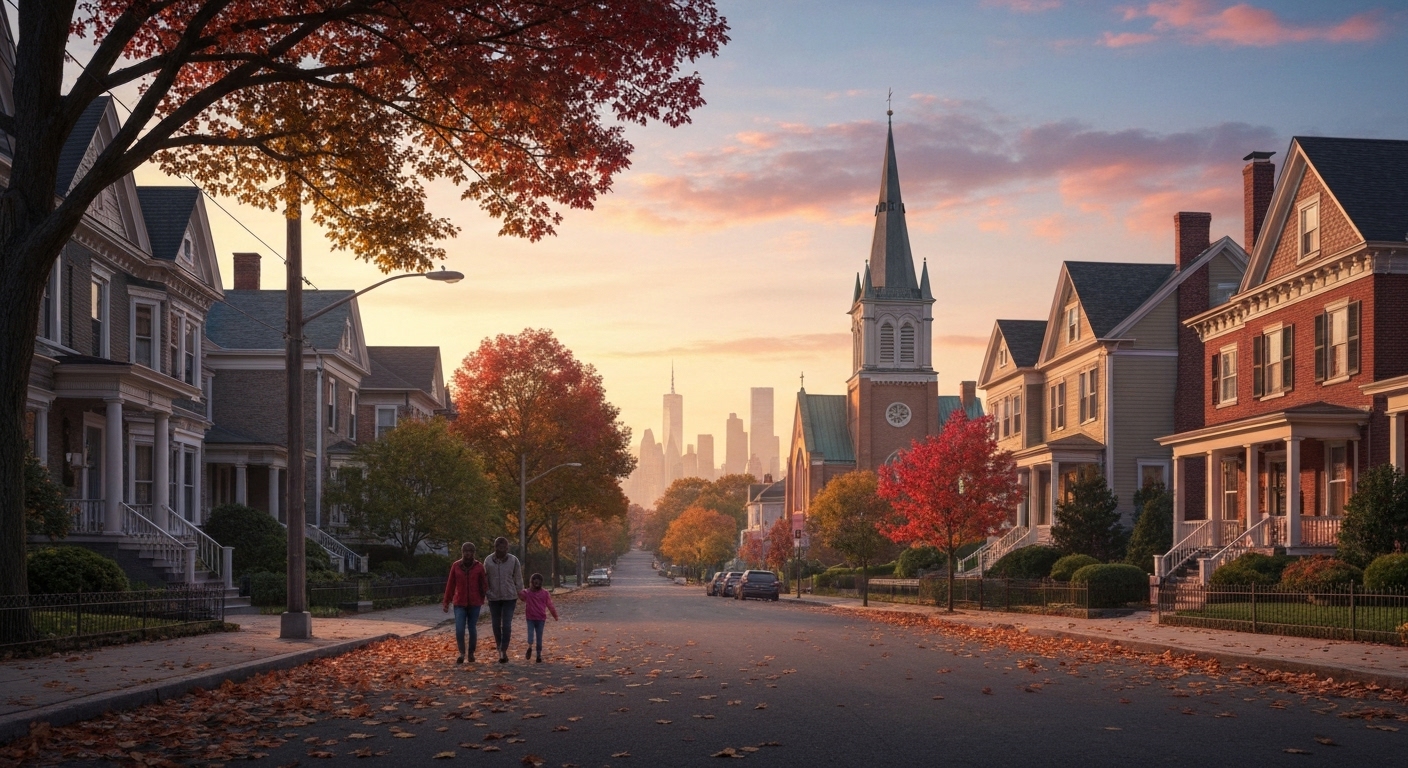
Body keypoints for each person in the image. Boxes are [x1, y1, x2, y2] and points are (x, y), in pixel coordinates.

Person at [441, 542, 488, 664]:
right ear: (462, 552)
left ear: (473, 553)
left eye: (470, 551)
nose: (467, 553)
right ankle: (461, 653)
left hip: (475, 602)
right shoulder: (456, 566)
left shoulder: (479, 567)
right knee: (459, 628)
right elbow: (450, 584)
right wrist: (446, 602)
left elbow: (484, 584)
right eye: (465, 551)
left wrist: (483, 596)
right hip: (459, 602)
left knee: (472, 628)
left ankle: (471, 653)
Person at [483, 536, 524, 664]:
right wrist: (487, 592)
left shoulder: (513, 560)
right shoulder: (488, 561)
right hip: (494, 597)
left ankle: (503, 649)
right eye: (498, 547)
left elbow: (518, 578)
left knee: (506, 624)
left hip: (509, 597)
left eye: (504, 547)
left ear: (507, 548)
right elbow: (485, 579)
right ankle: (499, 647)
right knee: (496, 624)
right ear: (495, 547)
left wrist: (520, 592)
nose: (501, 549)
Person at [518, 573, 559, 663]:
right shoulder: (528, 593)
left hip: (539, 619)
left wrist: (555, 615)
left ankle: (537, 653)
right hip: (532, 618)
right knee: (532, 635)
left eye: (538, 582)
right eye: (535, 582)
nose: (536, 584)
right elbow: (520, 595)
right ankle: (531, 648)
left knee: (537, 636)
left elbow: (550, 605)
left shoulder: (544, 593)